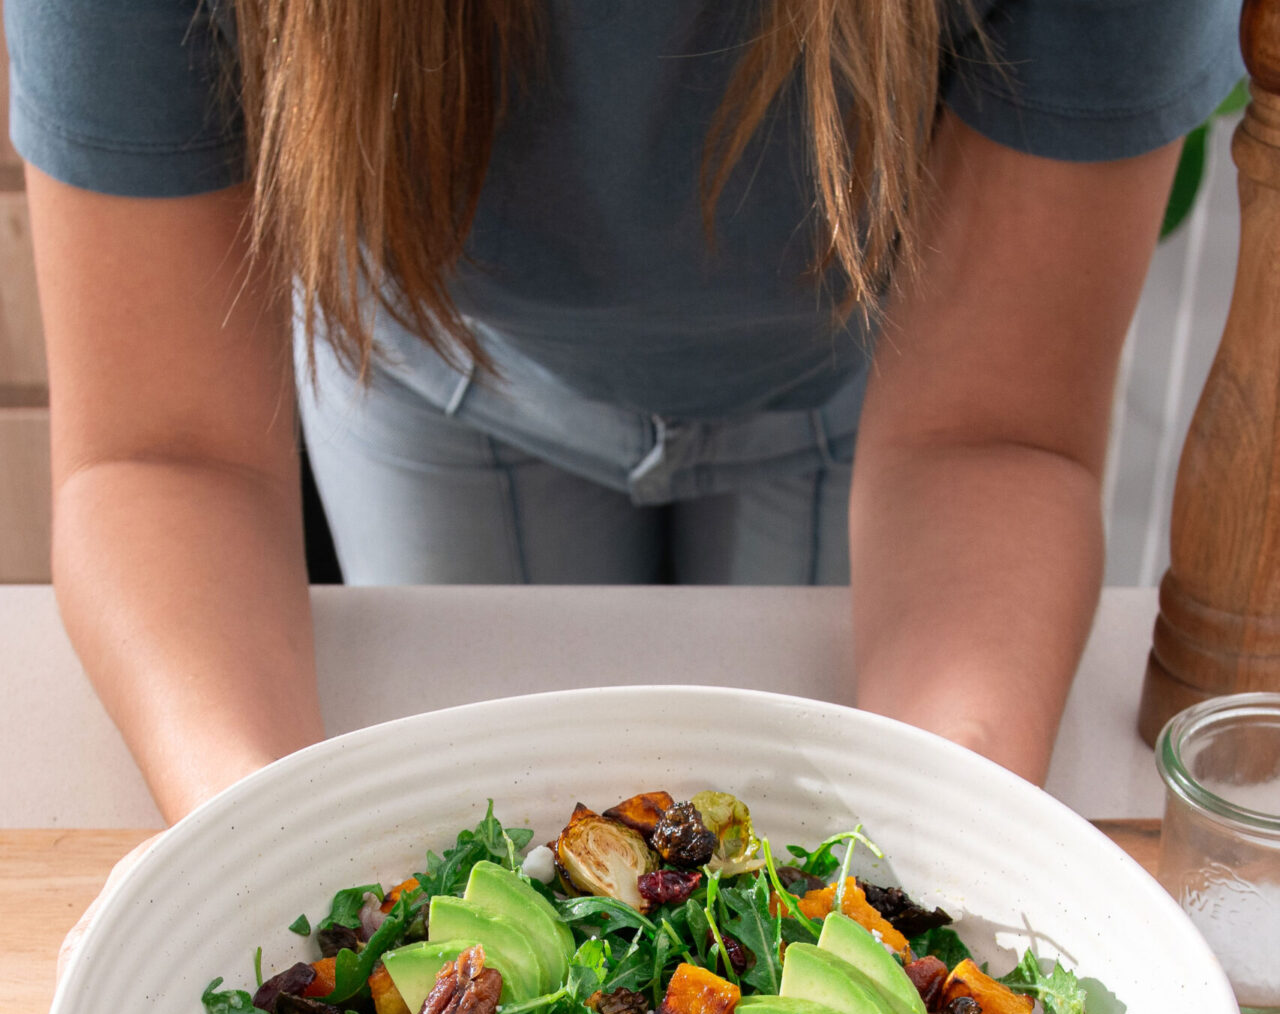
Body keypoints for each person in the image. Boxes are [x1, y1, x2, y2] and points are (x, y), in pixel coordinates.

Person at [7, 0, 1241, 825]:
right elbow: (161, 453)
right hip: (436, 364)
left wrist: (929, 836)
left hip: (876, 396)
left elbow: (994, 436)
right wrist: (266, 846)